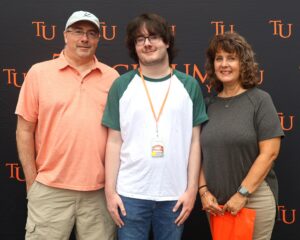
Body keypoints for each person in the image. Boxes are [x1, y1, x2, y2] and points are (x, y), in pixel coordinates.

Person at [102, 13, 208, 240]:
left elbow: (195, 142)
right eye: (140, 39)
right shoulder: (121, 85)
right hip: (129, 196)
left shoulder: (189, 85)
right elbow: (113, 141)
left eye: (153, 37)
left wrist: (191, 191)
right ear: (134, 47)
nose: (147, 43)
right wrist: (110, 192)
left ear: (167, 42)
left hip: (174, 196)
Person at [15, 10, 119, 240]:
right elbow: (24, 130)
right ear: (65, 35)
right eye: (78, 32)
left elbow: (119, 135)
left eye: (92, 33)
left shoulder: (112, 78)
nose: (85, 38)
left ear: (98, 39)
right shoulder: (39, 73)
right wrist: (33, 182)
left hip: (99, 194)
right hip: (50, 190)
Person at [199, 32, 284, 240]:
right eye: (219, 58)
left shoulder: (260, 100)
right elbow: (200, 155)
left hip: (253, 199)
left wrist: (242, 194)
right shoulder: (208, 105)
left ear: (243, 63)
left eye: (231, 58)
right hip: (216, 204)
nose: (224, 64)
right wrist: (203, 192)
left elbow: (269, 154)